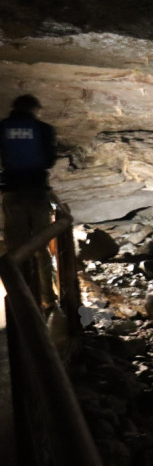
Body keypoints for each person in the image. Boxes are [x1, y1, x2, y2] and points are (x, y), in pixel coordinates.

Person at [0, 94, 57, 307]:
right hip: (36, 190)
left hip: (12, 190)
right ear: (34, 109)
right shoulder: (43, 128)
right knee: (41, 243)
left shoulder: (3, 127)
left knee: (15, 245)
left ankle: (20, 297)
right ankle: (47, 298)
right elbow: (50, 160)